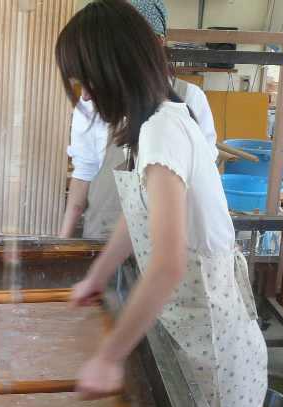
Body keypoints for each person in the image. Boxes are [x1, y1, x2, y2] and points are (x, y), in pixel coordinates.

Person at [55, 0, 267, 407]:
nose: (85, 95)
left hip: (208, 329)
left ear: (115, 69)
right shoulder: (154, 120)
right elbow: (139, 216)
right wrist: (97, 276)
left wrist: (108, 358)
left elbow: (168, 265)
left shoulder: (162, 131)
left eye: (86, 80)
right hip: (188, 320)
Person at [59, 0, 218, 240]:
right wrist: (61, 246)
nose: (86, 95)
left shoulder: (166, 122)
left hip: (165, 246)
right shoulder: (105, 104)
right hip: (103, 236)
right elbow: (87, 176)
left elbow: (192, 193)